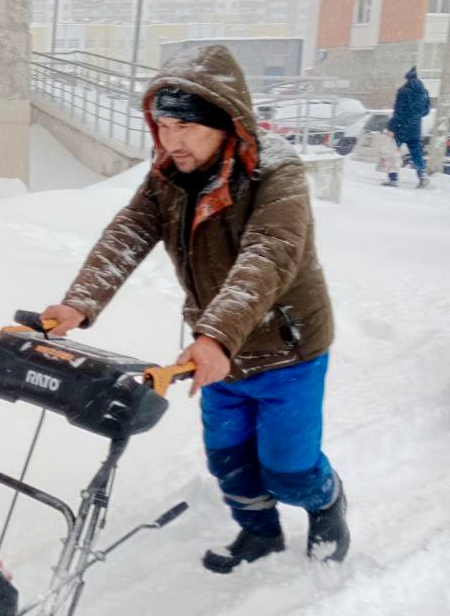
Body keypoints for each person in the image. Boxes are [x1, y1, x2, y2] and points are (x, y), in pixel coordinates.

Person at [41, 44, 349, 574]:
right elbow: (128, 233)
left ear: (225, 122)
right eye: (162, 125)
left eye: (185, 126)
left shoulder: (276, 174)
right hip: (215, 352)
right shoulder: (168, 175)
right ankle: (261, 534)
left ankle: (326, 503)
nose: (170, 140)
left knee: (288, 470)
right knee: (229, 463)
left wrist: (217, 337)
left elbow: (267, 254)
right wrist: (78, 304)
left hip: (286, 351)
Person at [384, 65, 430, 188]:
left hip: (401, 127)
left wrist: (391, 127)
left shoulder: (403, 91)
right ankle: (422, 175)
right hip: (415, 128)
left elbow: (398, 111)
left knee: (393, 151)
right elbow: (426, 111)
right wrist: (415, 116)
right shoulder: (424, 92)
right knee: (417, 154)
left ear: (407, 78)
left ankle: (393, 178)